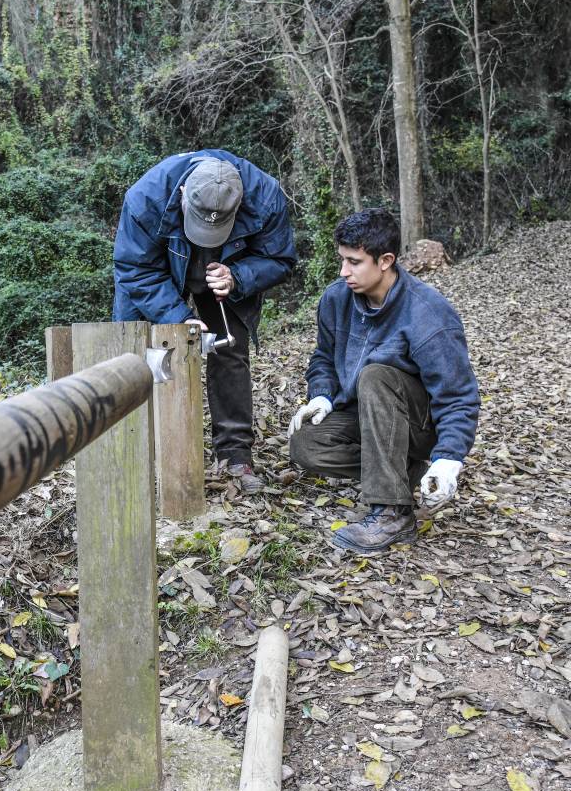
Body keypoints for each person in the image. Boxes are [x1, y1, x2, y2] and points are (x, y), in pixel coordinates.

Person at [287, 208, 479, 552]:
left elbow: (458, 397)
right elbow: (324, 357)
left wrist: (448, 458)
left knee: (375, 375)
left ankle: (393, 512)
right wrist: (322, 396)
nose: (344, 271)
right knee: (306, 443)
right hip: (365, 414)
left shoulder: (427, 313)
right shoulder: (336, 298)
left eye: (354, 262)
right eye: (342, 260)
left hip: (418, 425)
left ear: (386, 260)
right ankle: (402, 472)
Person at [113, 150, 297, 492]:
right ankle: (133, 448)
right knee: (138, 351)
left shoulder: (265, 196)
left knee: (230, 350)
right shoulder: (146, 198)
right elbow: (134, 269)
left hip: (226, 272)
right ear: (183, 194)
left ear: (239, 203)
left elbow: (280, 259)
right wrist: (176, 317)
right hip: (156, 269)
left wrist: (238, 277)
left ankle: (234, 456)